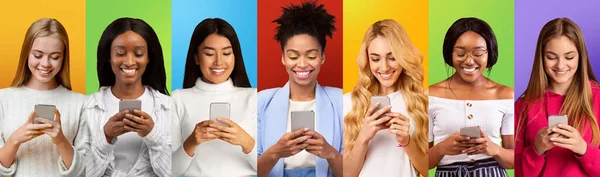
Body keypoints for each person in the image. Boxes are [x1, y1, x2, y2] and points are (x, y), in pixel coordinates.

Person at [256, 1, 343, 177]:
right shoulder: (261, 101)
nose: (302, 64)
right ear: (283, 58)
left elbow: (354, 172)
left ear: (322, 57)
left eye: (311, 56)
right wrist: (275, 152)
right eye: (293, 56)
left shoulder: (341, 101)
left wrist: (330, 153)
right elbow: (249, 171)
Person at [84, 17, 171, 177]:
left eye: (138, 54)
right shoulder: (86, 107)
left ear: (148, 57)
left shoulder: (169, 107)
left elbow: (173, 172)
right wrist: (106, 137)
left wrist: (153, 135)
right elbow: (82, 172)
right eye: (120, 53)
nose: (130, 61)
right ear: (109, 56)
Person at [428, 17, 514, 177]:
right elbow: (421, 163)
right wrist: (441, 149)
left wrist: (493, 149)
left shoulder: (505, 95)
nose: (469, 61)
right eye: (460, 53)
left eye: (478, 53)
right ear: (450, 53)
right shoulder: (430, 95)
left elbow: (513, 161)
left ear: (489, 53)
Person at [0, 18, 86, 177]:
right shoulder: (3, 99)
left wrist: (60, 140)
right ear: (26, 54)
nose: (45, 64)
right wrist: (15, 140)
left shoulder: (81, 103)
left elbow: (86, 171)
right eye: (38, 55)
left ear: (64, 58)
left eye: (54, 57)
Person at [342, 19, 429, 177]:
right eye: (375, 59)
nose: (384, 67)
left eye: (392, 57)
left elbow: (427, 170)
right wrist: (364, 137)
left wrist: (407, 141)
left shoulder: (423, 100)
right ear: (367, 61)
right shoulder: (350, 102)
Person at [171, 18, 257, 177]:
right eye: (209, 53)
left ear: (235, 56)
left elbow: (269, 167)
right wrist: (191, 142)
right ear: (196, 57)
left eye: (226, 53)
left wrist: (246, 141)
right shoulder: (178, 99)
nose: (219, 62)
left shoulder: (254, 98)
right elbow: (171, 171)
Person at [515, 18, 600, 177]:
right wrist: (537, 149)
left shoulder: (597, 97)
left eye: (569, 57)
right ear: (541, 58)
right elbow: (518, 173)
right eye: (551, 57)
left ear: (581, 57)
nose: (560, 65)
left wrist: (583, 149)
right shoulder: (523, 105)